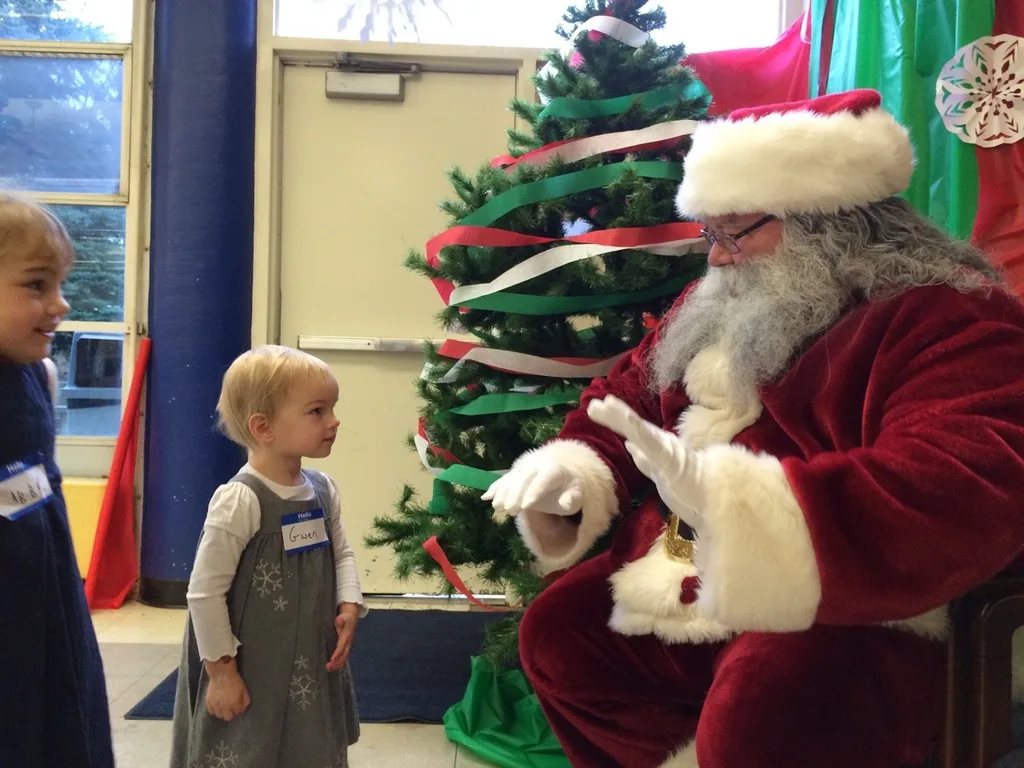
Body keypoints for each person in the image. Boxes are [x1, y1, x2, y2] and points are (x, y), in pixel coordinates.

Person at [484, 89, 1024, 768]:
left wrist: (731, 503)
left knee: (768, 705)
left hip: (844, 598)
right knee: (561, 637)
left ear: (834, 219)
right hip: (680, 573)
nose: (716, 258)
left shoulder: (950, 317)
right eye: (710, 233)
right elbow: (625, 399)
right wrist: (573, 470)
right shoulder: (726, 294)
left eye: (736, 231)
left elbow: (960, 484)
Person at [170, 345, 366, 768]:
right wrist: (222, 674)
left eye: (332, 408)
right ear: (263, 427)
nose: (334, 421)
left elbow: (342, 552)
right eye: (317, 411)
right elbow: (204, 594)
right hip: (251, 659)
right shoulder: (240, 500)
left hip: (309, 656)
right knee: (248, 744)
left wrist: (349, 603)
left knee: (307, 741)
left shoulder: (323, 488)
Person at [0, 194, 114, 767]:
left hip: (45, 594)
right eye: (37, 285)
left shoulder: (37, 374)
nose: (61, 304)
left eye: (61, 284)